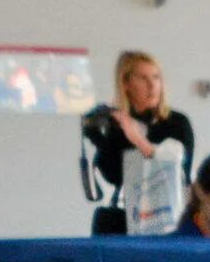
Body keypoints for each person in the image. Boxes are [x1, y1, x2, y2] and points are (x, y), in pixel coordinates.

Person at [79, 50, 194, 234]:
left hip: (168, 217)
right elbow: (114, 176)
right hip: (125, 216)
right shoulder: (118, 124)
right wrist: (98, 138)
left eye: (156, 77)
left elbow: (179, 168)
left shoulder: (177, 122)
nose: (152, 85)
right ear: (126, 84)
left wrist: (137, 138)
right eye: (143, 78)